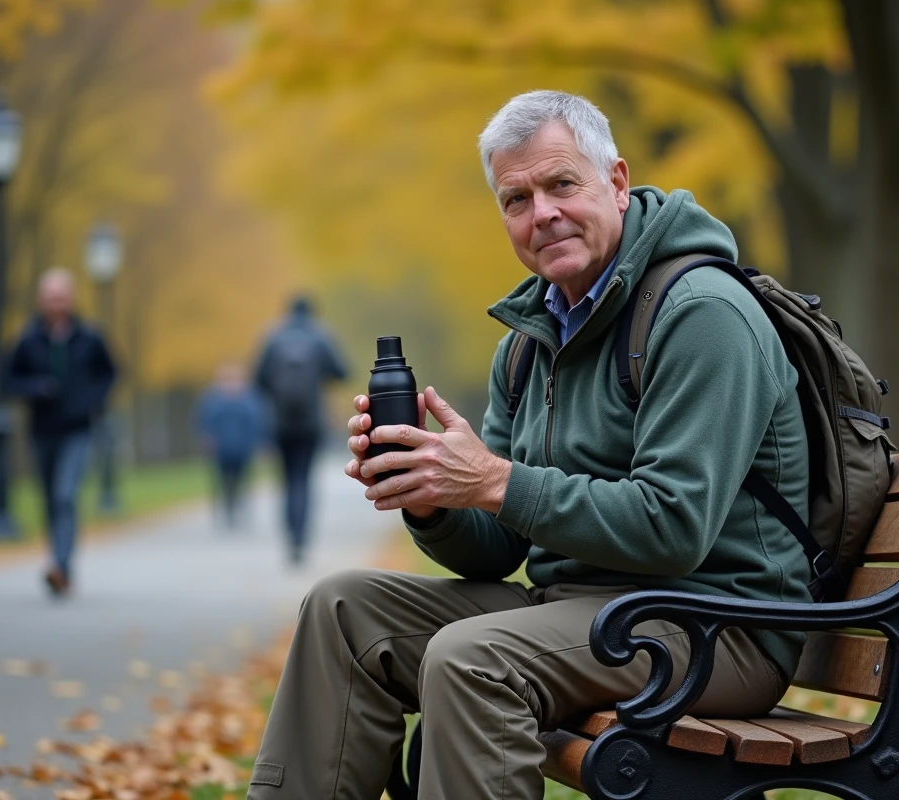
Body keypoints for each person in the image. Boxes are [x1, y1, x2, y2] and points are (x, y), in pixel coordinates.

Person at [247, 91, 813, 799]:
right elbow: (499, 549)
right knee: (343, 610)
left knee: (470, 657)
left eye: (561, 185)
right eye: (516, 199)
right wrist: (433, 495)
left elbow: (674, 526)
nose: (541, 213)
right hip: (581, 615)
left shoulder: (701, 313)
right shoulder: (530, 340)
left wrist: (491, 481)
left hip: (716, 626)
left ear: (616, 180)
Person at [4, 268, 117, 597]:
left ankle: (60, 566)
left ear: (71, 298)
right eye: (51, 297)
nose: (57, 302)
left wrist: (91, 402)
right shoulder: (27, 339)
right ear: (41, 300)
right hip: (42, 430)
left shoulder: (90, 336)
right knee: (50, 499)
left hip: (78, 429)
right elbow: (7, 380)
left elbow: (111, 374)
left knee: (65, 494)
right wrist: (34, 388)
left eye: (62, 296)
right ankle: (59, 560)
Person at [254, 295, 348, 563]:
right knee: (303, 479)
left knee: (285, 479)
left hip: (280, 422)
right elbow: (342, 372)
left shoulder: (273, 336)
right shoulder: (321, 336)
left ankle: (290, 537)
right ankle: (301, 538)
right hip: (310, 422)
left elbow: (258, 378)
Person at [196, 362, 265, 528]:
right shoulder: (212, 400)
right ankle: (227, 508)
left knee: (242, 479)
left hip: (243, 449)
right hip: (221, 449)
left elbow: (258, 423)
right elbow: (203, 421)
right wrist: (206, 437)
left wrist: (260, 443)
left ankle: (240, 506)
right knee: (223, 481)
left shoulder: (250, 399)